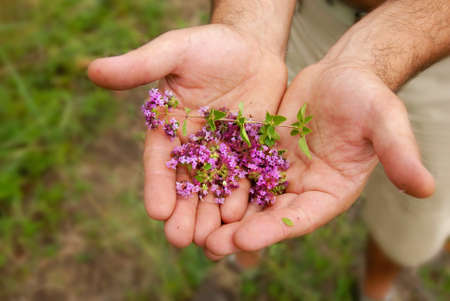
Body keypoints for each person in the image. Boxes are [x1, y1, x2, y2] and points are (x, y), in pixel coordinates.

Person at [88, 0, 450, 299]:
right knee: (256, 198)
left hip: (438, 55)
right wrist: (248, 25)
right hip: (304, 15)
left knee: (412, 217)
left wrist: (371, 58)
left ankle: (377, 288)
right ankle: (242, 259)